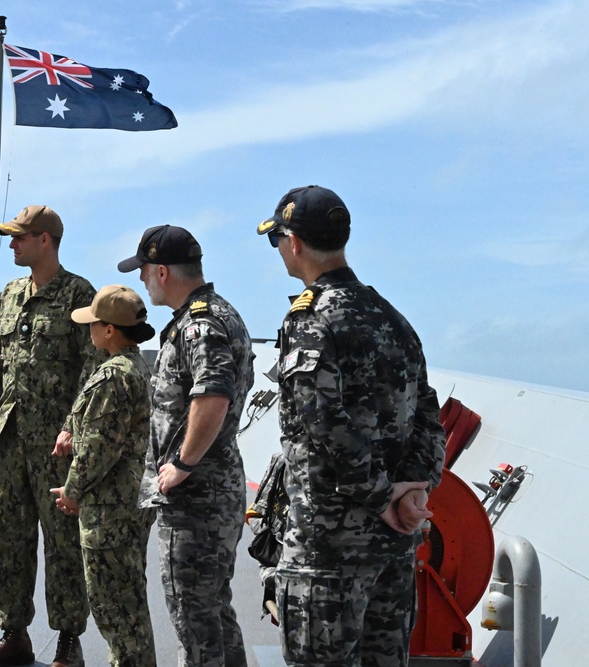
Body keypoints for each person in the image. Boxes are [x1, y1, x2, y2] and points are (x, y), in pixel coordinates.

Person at [256, 185, 446, 666]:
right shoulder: (393, 318)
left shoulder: (309, 319)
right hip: (393, 547)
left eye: (276, 238)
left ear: (294, 243)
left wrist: (383, 498)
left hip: (328, 552)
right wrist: (412, 495)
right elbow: (428, 413)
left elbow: (322, 425)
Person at [117, 225, 254, 667]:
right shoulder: (216, 315)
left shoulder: (199, 325)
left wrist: (180, 463)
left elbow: (213, 395)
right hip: (212, 489)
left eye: (143, 272)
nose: (141, 280)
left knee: (193, 616)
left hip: (197, 497)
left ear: (161, 272)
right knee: (213, 610)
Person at [0, 205, 95, 667]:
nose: (12, 245)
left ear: (45, 240)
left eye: (19, 237)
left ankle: (68, 640)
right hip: (9, 443)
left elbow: (93, 369)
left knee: (63, 542)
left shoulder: (80, 296)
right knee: (6, 538)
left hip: (56, 448)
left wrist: (73, 426)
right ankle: (14, 633)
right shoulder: (8, 296)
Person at [50, 285, 158, 667]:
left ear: (110, 329)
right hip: (127, 504)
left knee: (116, 609)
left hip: (110, 510)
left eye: (93, 323)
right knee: (129, 603)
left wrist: (72, 489)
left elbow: (98, 448)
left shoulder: (112, 377)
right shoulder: (135, 368)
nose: (89, 329)